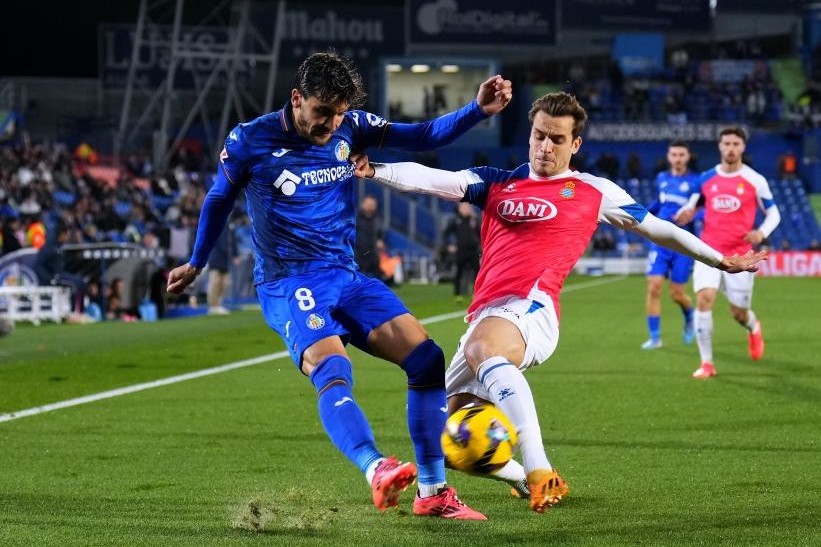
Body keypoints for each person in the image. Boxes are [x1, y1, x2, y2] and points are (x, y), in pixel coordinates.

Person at [351, 91, 766, 514]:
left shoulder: (592, 190)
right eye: (539, 135)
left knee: (482, 351)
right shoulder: (496, 182)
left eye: (557, 139)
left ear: (576, 144)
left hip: (532, 309)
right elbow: (433, 180)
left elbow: (661, 230)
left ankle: (538, 469)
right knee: (454, 434)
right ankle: (516, 478)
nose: (546, 147)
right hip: (487, 315)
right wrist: (376, 170)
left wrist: (719, 259)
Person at [166, 51, 512, 520]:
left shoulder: (353, 126)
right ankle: (375, 468)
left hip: (346, 276)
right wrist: (197, 261)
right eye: (322, 111)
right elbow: (218, 198)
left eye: (340, 113)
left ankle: (432, 493)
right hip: (290, 282)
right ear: (296, 99)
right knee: (331, 364)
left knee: (427, 359)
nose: (332, 123)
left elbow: (424, 135)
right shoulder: (251, 140)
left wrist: (477, 110)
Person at [674, 126, 780, 379]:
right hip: (709, 251)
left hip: (741, 255)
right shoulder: (706, 178)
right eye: (726, 144)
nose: (730, 148)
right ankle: (707, 363)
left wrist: (761, 233)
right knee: (704, 299)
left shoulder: (756, 180)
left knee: (738, 313)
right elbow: (692, 203)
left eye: (735, 144)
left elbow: (774, 213)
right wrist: (687, 212)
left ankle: (753, 326)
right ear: (719, 147)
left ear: (743, 147)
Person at [640, 141, 699, 350]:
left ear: (688, 157)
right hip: (661, 241)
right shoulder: (661, 178)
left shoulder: (696, 182)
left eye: (681, 154)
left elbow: (703, 209)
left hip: (683, 244)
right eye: (674, 154)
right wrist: (639, 216)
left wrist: (694, 214)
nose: (677, 158)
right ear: (669, 156)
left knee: (676, 294)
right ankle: (655, 338)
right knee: (653, 286)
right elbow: (658, 203)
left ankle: (689, 316)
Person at [442, 202, 481, 302]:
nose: (466, 209)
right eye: (464, 207)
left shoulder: (474, 220)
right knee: (459, 273)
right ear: (459, 209)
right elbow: (445, 233)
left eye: (467, 207)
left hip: (474, 251)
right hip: (461, 251)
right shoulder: (456, 220)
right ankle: (458, 294)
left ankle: (476, 293)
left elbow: (481, 234)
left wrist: (482, 249)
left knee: (478, 274)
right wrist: (448, 245)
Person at [206, 222, 236, 315]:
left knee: (224, 283)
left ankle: (219, 304)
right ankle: (213, 306)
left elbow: (232, 242)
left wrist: (235, 254)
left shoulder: (229, 226)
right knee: (215, 282)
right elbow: (219, 242)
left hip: (225, 259)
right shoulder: (215, 224)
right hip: (215, 257)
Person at [354, 195, 384, 279]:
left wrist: (380, 240)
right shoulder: (355, 218)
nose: (371, 207)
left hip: (373, 253)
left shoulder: (378, 219)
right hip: (358, 253)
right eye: (369, 204)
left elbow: (380, 234)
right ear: (363, 205)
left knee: (376, 280)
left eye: (373, 205)